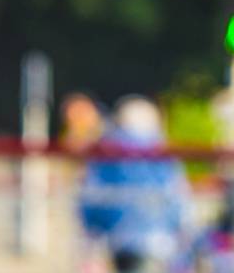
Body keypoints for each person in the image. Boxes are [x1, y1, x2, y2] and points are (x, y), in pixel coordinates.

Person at [78, 97, 193, 272]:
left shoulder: (108, 150)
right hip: (159, 241)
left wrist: (92, 234)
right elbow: (178, 198)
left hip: (118, 239)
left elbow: (92, 199)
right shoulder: (162, 150)